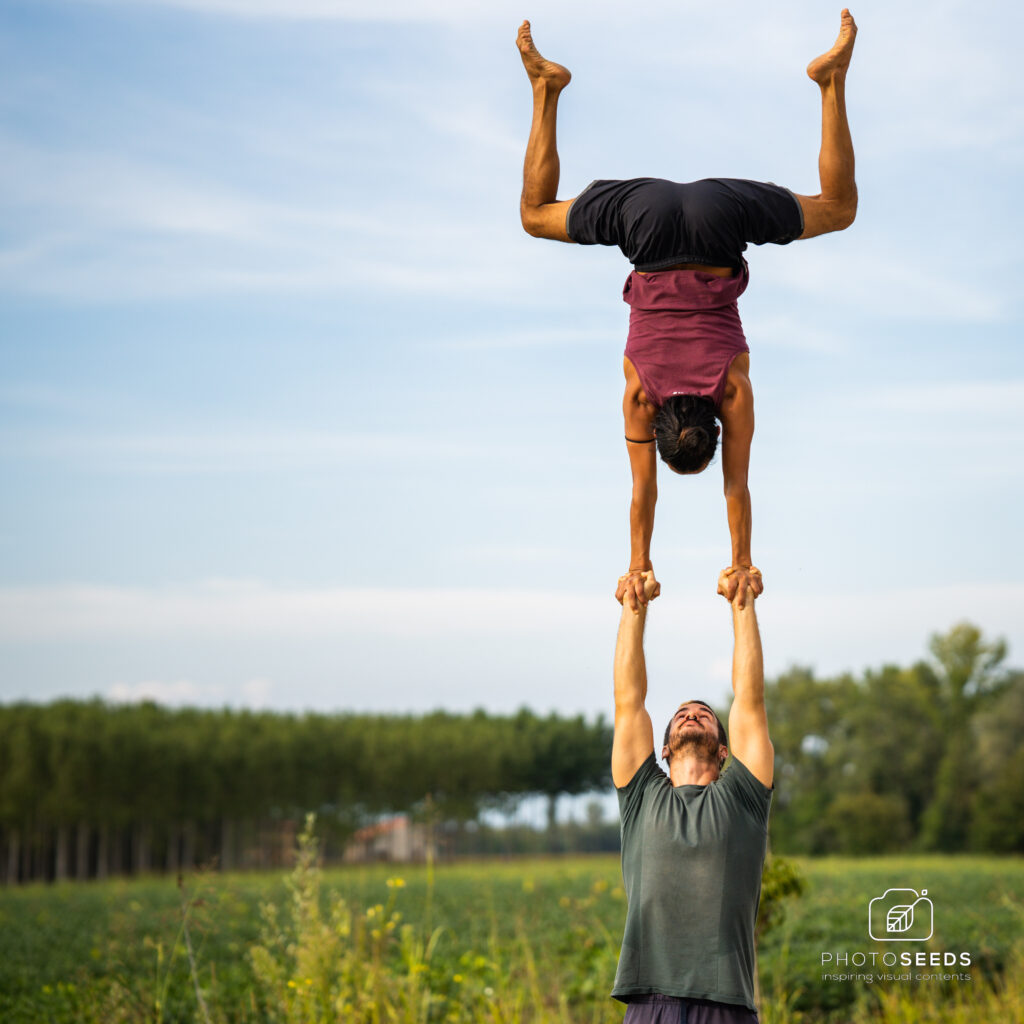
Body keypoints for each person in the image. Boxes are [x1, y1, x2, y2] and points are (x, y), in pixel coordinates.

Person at [516, 12, 858, 608]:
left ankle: (831, 82)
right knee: (535, 216)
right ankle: (546, 91)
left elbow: (738, 488)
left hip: (718, 218)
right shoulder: (639, 397)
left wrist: (742, 560)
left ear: (715, 429)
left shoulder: (732, 393)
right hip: (643, 224)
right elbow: (641, 493)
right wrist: (637, 566)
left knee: (838, 208)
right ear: (658, 428)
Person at [611, 570, 773, 1022]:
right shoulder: (641, 794)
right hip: (649, 1004)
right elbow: (629, 699)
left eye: (704, 713)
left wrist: (742, 605)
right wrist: (633, 609)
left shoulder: (743, 795)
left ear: (725, 749)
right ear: (663, 748)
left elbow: (751, 699)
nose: (693, 713)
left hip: (726, 1007)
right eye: (683, 713)